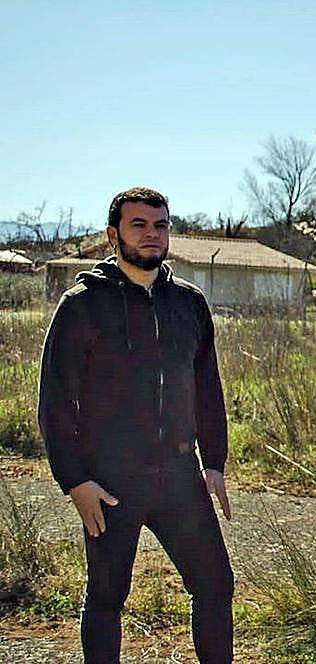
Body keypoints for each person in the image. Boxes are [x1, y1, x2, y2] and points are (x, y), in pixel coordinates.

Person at [38, 187, 235, 664]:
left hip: (180, 475)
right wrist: (75, 481)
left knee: (215, 584)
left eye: (160, 225)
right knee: (107, 596)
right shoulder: (82, 305)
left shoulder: (188, 303)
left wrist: (215, 463)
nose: (152, 234)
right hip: (110, 480)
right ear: (113, 234)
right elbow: (55, 401)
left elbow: (207, 386)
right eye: (139, 225)